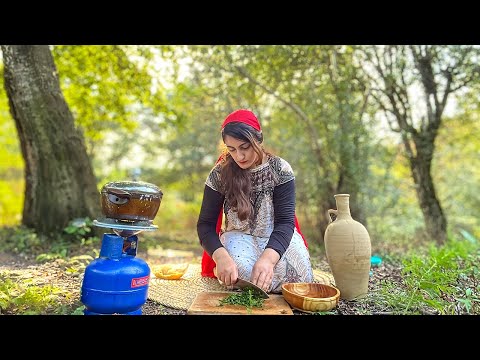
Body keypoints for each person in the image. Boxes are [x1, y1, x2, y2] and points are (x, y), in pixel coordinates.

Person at [197, 109, 314, 293]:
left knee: (301, 276)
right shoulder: (219, 174)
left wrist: (268, 259)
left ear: (258, 141)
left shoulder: (280, 170)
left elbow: (285, 223)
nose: (239, 156)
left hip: (276, 237)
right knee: (241, 275)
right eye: (231, 149)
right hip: (238, 237)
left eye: (245, 147)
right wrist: (220, 257)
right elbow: (205, 225)